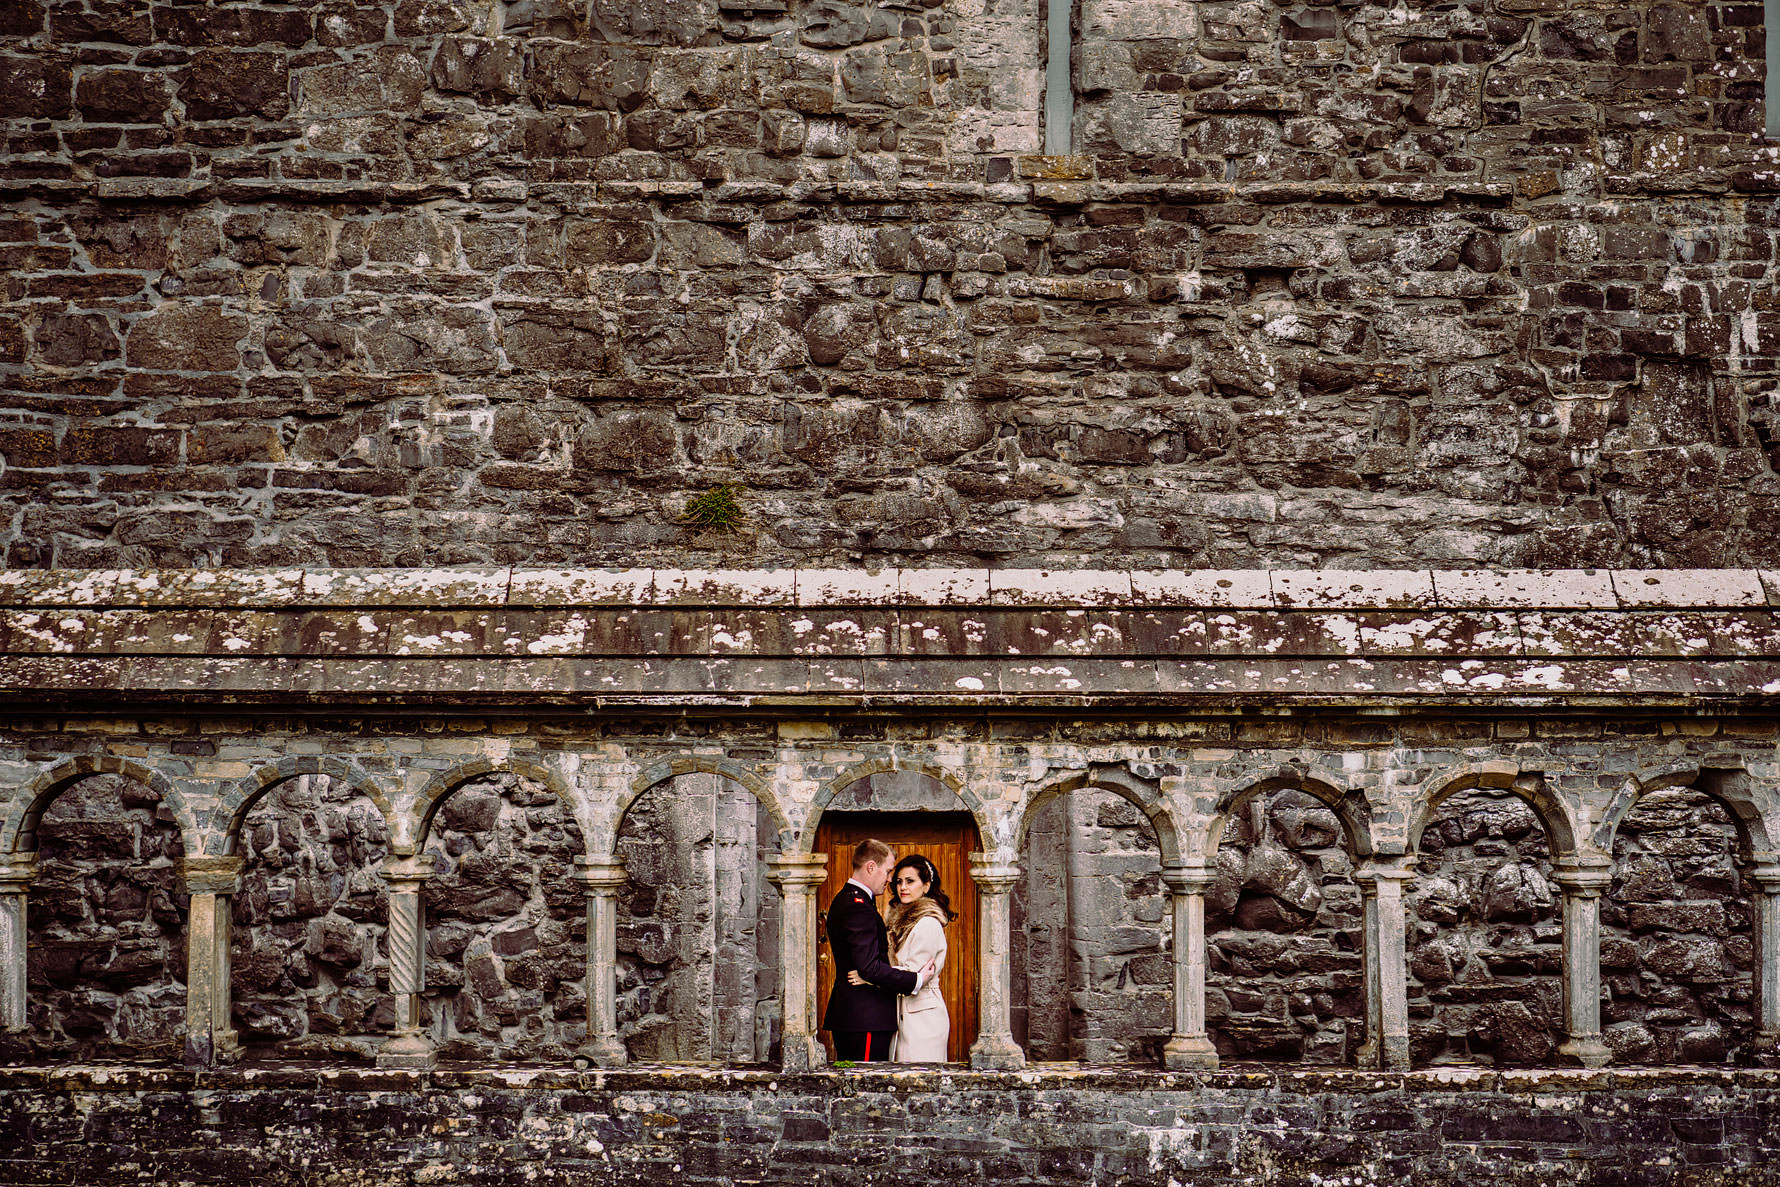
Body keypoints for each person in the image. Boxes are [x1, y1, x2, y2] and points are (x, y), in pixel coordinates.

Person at [822, 838, 934, 1062]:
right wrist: (916, 980)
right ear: (871, 867)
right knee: (864, 1088)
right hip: (866, 1017)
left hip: (858, 1016)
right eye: (889, 871)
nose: (890, 880)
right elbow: (869, 967)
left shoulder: (848, 899)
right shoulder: (858, 907)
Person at [849, 853, 953, 1062]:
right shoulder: (898, 922)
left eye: (910, 881)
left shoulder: (928, 923)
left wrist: (870, 975)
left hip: (923, 1016)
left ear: (926, 886)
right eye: (898, 882)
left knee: (921, 1081)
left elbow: (915, 974)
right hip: (900, 1012)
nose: (902, 887)